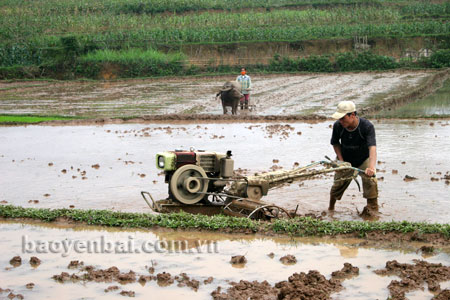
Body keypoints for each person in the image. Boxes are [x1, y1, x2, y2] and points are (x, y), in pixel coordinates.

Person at [328, 101, 378, 211]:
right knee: (338, 184)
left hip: (363, 158)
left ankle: (373, 209)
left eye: (343, 118)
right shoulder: (338, 126)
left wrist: (371, 167)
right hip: (345, 158)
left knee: (371, 181)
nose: (340, 121)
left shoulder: (366, 126)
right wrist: (341, 162)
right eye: (339, 118)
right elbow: (335, 143)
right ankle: (331, 209)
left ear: (353, 115)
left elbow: (372, 147)